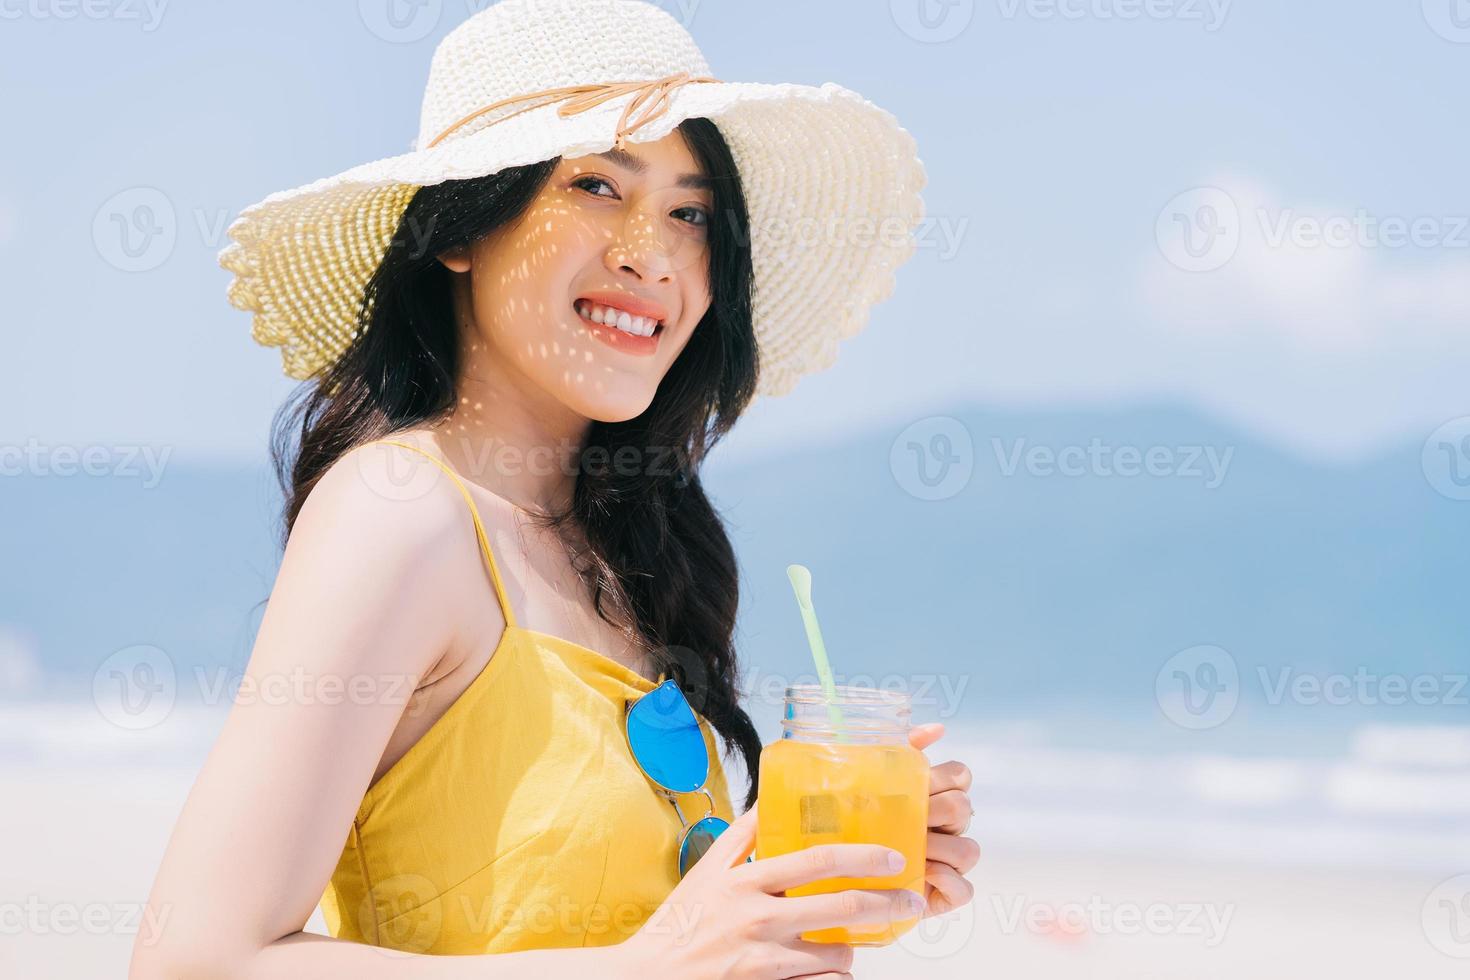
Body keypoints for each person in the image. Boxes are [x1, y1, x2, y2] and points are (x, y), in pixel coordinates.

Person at [132, 1, 978, 976]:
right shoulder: (400, 514)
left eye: (690, 213)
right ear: (461, 225)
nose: (650, 254)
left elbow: (629, 925)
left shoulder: (629, 556)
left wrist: (793, 887)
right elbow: (194, 959)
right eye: (595, 185)